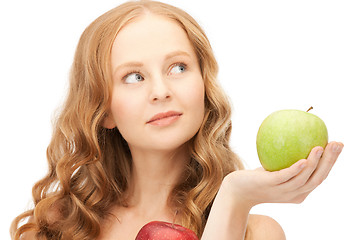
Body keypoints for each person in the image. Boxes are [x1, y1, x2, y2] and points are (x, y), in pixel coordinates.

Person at [10, 1, 344, 239]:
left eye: (178, 68)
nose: (160, 91)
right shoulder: (58, 226)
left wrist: (234, 199)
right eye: (133, 76)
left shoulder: (258, 233)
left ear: (204, 86)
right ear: (105, 110)